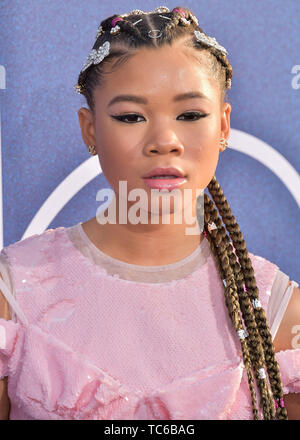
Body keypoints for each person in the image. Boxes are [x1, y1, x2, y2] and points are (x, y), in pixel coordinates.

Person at [0, 5, 299, 420]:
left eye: (190, 114)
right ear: (90, 129)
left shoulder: (277, 314)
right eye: (131, 116)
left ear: (224, 126)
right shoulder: (13, 291)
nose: (165, 140)